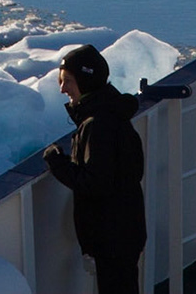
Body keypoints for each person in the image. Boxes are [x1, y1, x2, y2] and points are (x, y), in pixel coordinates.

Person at [42, 44, 146, 294]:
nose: (62, 88)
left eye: (68, 80)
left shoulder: (98, 125)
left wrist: (57, 162)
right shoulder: (112, 114)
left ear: (86, 81)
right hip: (124, 230)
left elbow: (95, 183)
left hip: (112, 237)